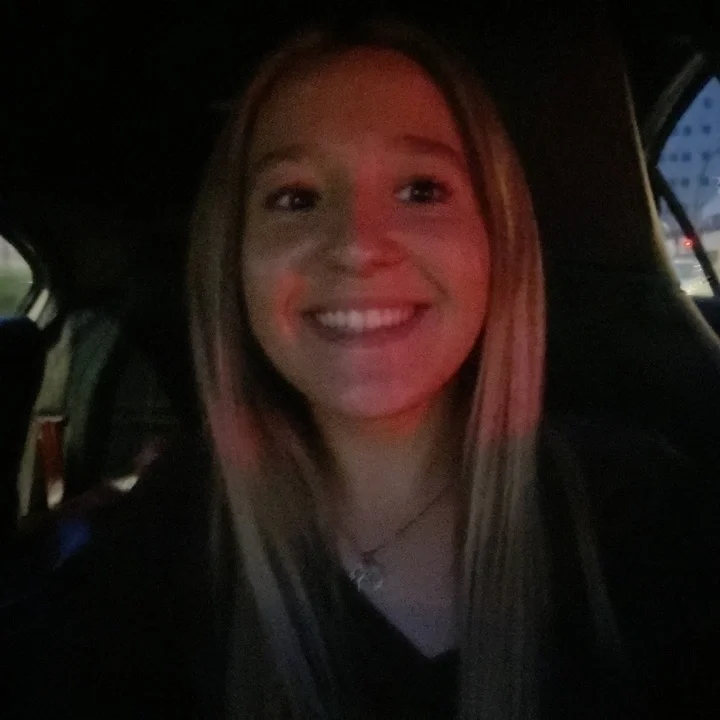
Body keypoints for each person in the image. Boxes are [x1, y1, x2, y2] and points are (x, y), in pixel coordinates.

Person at [5, 16, 717, 720]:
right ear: (235, 260)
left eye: (422, 190)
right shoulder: (170, 534)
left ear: (497, 237)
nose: (355, 244)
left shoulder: (643, 520)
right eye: (296, 199)